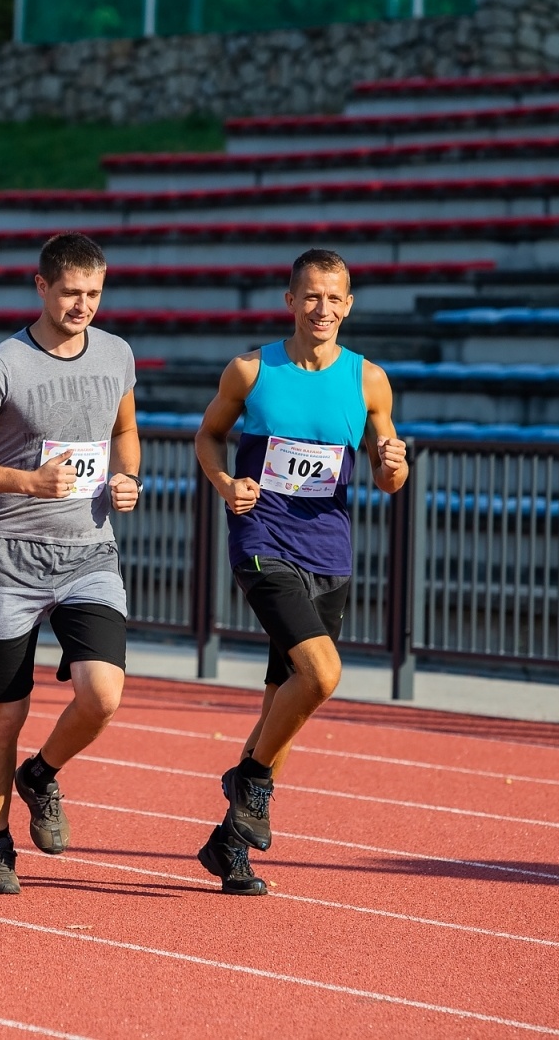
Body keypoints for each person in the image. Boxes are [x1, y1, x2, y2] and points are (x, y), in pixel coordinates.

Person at [192, 249, 408, 895]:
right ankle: (252, 780)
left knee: (284, 702)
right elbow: (207, 436)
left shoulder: (369, 380)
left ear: (349, 305)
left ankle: (230, 845)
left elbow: (387, 476)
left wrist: (395, 465)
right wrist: (225, 483)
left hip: (329, 554)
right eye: (311, 296)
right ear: (290, 301)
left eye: (334, 298)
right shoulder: (252, 370)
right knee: (322, 674)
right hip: (262, 539)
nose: (322, 309)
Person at [0, 233, 141, 895]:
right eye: (71, 292)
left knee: (102, 695)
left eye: (94, 293)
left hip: (90, 553)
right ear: (42, 287)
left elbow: (124, 431)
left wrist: (128, 476)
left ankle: (42, 773)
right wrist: (27, 482)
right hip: (10, 559)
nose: (83, 305)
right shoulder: (3, 364)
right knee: (4, 716)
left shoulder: (117, 353)